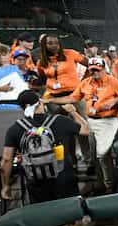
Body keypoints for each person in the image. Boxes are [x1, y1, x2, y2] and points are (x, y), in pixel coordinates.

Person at [44, 58, 118, 192]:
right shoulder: (85, 83)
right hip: (92, 121)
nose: (95, 73)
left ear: (103, 69)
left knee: (103, 154)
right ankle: (102, 183)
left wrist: (114, 100)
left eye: (97, 70)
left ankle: (111, 185)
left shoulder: (112, 81)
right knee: (94, 155)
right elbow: (72, 98)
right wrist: (51, 100)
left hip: (108, 121)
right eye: (92, 70)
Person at [0, 90, 89, 203]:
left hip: (37, 184)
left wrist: (5, 185)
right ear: (40, 103)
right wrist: (73, 112)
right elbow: (86, 130)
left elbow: (6, 160)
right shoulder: (60, 121)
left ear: (23, 108)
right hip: (64, 181)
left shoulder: (15, 129)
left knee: (43, 217)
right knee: (71, 215)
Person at [36, 34, 91, 167]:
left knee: (82, 126)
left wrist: (84, 81)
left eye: (56, 42)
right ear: (44, 45)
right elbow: (43, 78)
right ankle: (71, 162)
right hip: (55, 98)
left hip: (75, 95)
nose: (54, 46)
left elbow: (90, 64)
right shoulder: (41, 62)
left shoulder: (70, 53)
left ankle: (90, 161)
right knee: (64, 130)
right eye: (50, 43)